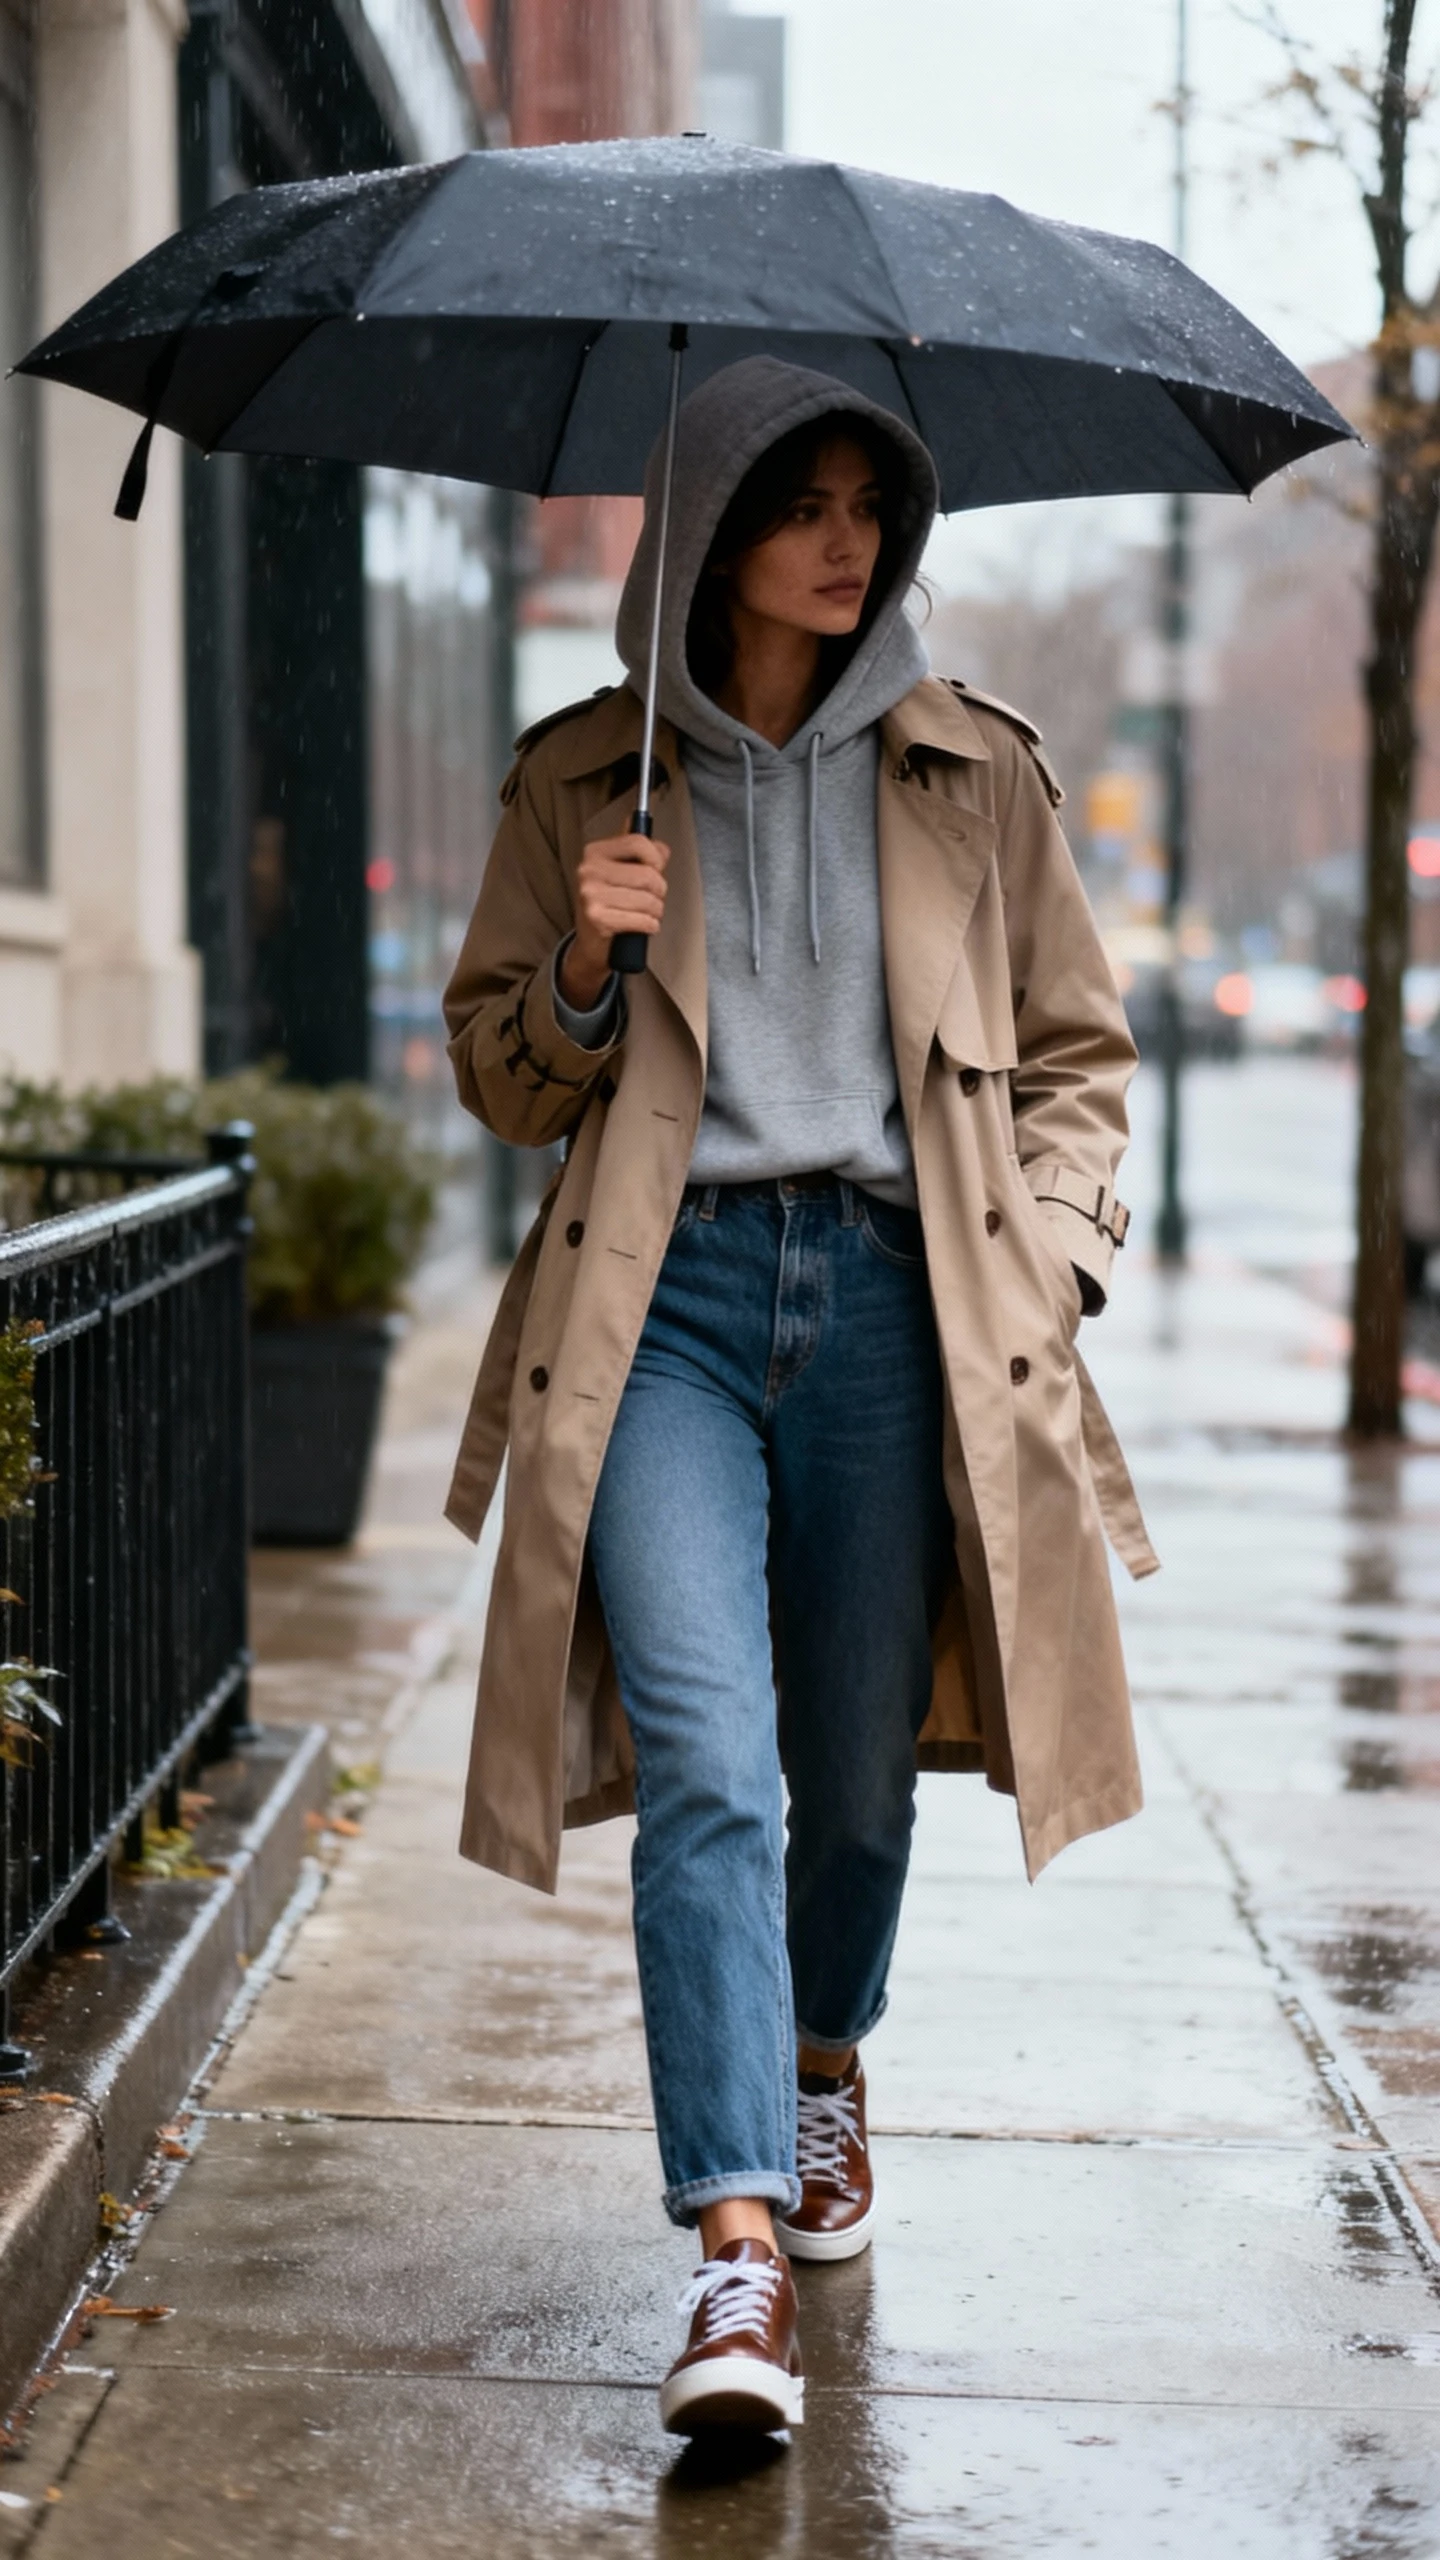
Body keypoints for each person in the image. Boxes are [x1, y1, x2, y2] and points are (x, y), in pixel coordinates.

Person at [442, 357, 1157, 2440]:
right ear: (712, 530)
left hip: (893, 1305)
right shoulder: (590, 778)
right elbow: (500, 1076)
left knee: (850, 1782)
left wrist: (1050, 1253)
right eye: (804, 505)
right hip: (660, 1308)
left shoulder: (974, 772)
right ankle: (734, 2241)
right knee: (710, 1762)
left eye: (870, 507)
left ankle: (825, 2059)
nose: (850, 543)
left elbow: (1080, 1056)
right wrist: (584, 969)